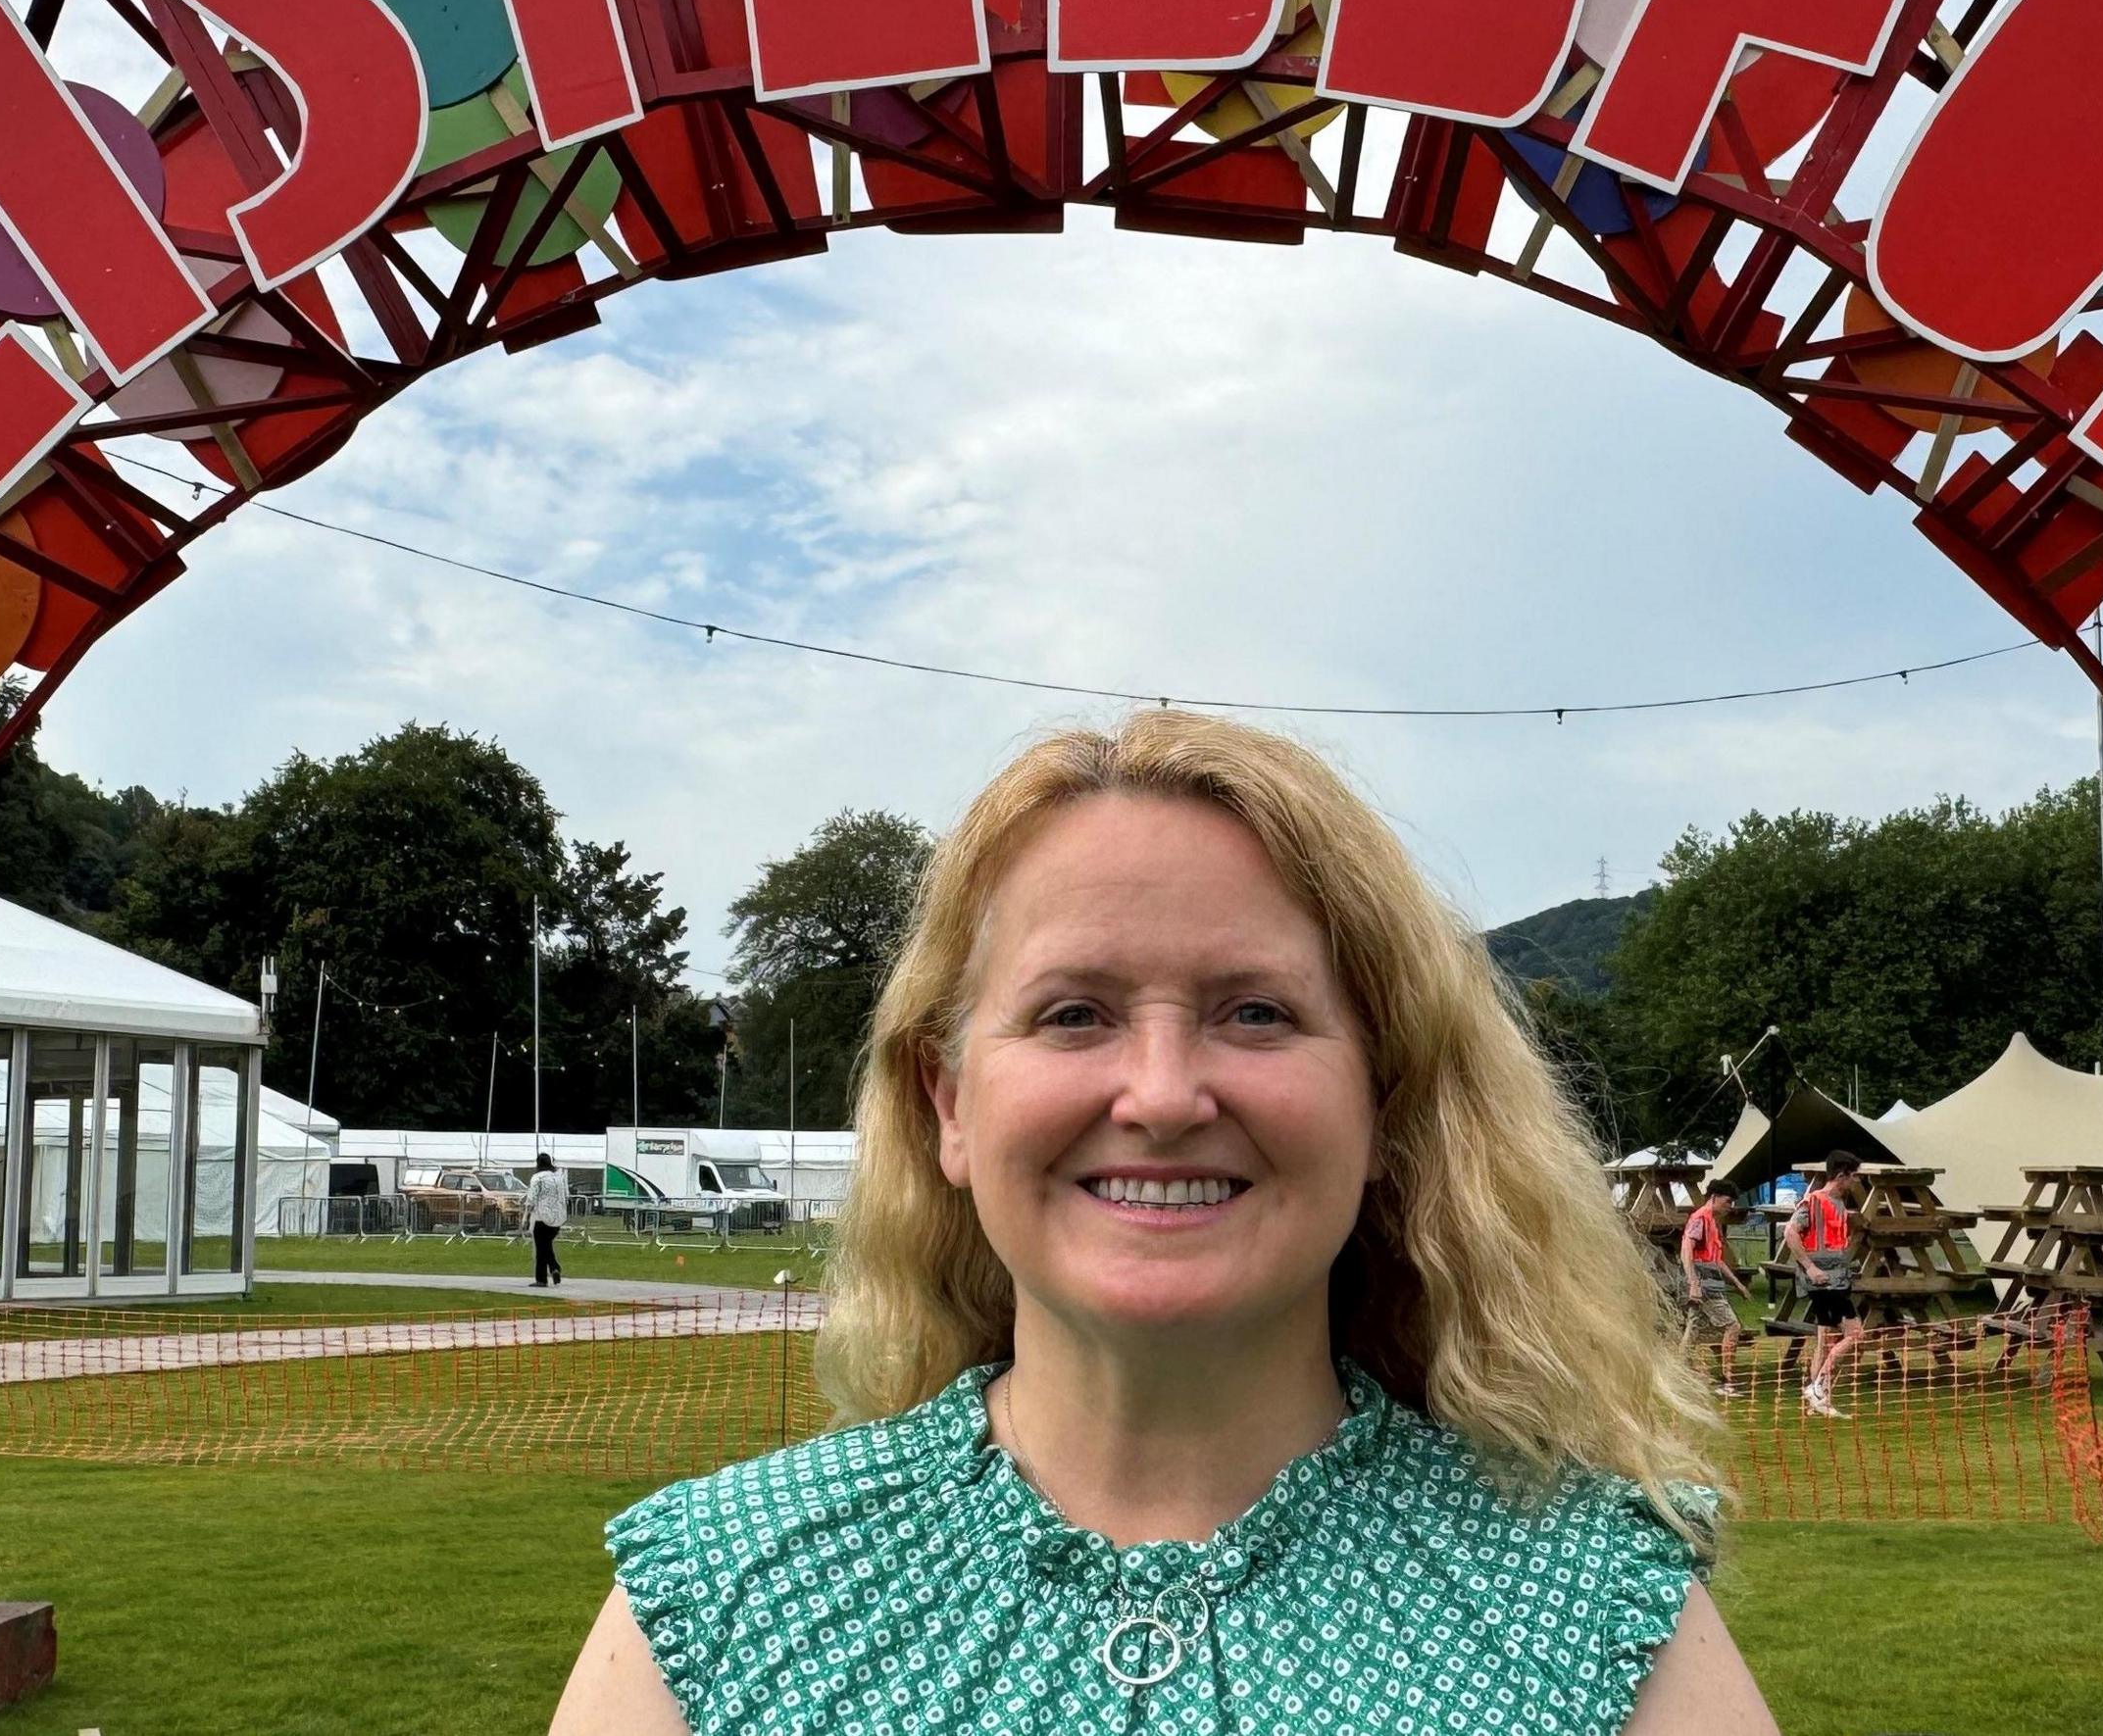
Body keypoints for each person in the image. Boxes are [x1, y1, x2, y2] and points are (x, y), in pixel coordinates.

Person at [549, 711, 1771, 1735]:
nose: (1165, 1093)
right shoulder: (723, 1600)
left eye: (1255, 1012)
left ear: (1383, 1101)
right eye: (1075, 1012)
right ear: (950, 1103)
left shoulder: (1590, 1603)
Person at [1787, 1154, 1865, 1418]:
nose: (1857, 1180)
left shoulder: (1840, 1204)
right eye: (1855, 1175)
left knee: (1825, 1339)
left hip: (1837, 1280)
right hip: (1822, 1282)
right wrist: (1810, 1267)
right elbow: (1790, 1233)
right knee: (1855, 1333)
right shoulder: (1813, 1201)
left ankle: (1818, 1403)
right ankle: (1817, 1387)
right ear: (1842, 1175)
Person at [1677, 1179, 1753, 1397]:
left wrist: (1737, 1284)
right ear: (1714, 1197)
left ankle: (1680, 1375)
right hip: (1704, 1285)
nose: (1730, 1206)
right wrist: (1693, 1283)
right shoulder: (1700, 1218)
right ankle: (1727, 1381)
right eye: (1728, 1201)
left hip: (1709, 1284)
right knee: (1732, 1326)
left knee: (1693, 1330)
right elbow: (1686, 1250)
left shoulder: (1711, 1221)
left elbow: (1717, 1260)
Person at [524, 1153, 568, 1289]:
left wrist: (526, 1217)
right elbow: (566, 1195)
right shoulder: (559, 1177)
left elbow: (531, 1198)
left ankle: (542, 1278)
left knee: (541, 1248)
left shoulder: (537, 1178)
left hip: (542, 1217)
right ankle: (554, 1268)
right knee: (546, 1245)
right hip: (558, 1217)